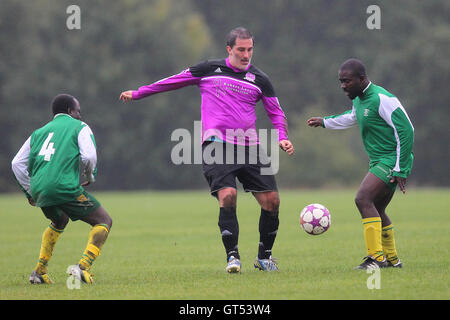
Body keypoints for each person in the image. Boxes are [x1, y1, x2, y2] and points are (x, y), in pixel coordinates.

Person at [120, 27, 294, 273]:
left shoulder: (260, 79)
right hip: (217, 144)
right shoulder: (208, 69)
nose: (246, 55)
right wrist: (138, 93)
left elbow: (276, 112)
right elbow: (171, 82)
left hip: (250, 145)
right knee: (228, 196)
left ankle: (264, 258)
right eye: (241, 50)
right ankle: (233, 257)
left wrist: (283, 138)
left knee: (272, 201)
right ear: (229, 49)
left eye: (250, 49)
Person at [307, 58, 414, 269]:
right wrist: (325, 122)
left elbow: (407, 130)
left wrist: (401, 168)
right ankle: (392, 260)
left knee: (363, 199)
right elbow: (353, 117)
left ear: (362, 79)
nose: (343, 86)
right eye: (340, 81)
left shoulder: (382, 98)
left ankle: (376, 258)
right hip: (379, 161)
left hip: (391, 160)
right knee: (377, 208)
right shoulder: (359, 99)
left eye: (347, 81)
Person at [11, 94, 112, 284]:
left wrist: (30, 190)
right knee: (103, 221)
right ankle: (83, 267)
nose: (80, 115)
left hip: (40, 190)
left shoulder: (38, 133)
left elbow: (16, 163)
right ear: (69, 111)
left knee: (60, 220)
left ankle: (39, 272)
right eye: (78, 111)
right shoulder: (79, 127)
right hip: (63, 187)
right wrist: (89, 176)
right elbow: (89, 157)